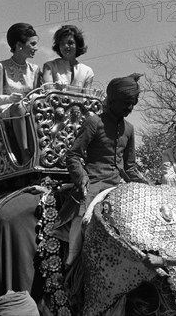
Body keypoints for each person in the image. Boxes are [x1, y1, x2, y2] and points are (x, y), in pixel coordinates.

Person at [63, 73, 147, 264]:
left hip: (119, 184)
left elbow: (130, 167)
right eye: (126, 103)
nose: (130, 108)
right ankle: (72, 255)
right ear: (113, 100)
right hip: (94, 181)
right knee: (83, 215)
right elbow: (73, 154)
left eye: (133, 103)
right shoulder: (94, 122)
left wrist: (148, 186)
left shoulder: (129, 129)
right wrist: (81, 177)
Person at [0, 23, 40, 164]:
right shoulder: (1, 66)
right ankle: (25, 154)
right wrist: (10, 98)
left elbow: (36, 95)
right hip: (6, 109)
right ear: (19, 45)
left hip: (28, 107)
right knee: (18, 107)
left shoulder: (35, 69)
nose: (36, 48)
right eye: (33, 44)